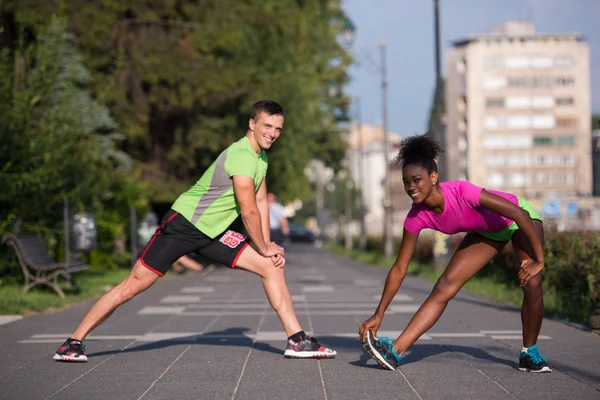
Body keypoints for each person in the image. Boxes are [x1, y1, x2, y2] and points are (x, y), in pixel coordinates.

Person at [54, 100, 336, 362]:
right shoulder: (241, 155)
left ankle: (297, 340)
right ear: (252, 124)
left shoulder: (260, 158)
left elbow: (261, 202)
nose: (273, 133)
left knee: (271, 266)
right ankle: (72, 343)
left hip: (213, 232)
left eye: (278, 129)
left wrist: (268, 246)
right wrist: (261, 245)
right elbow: (248, 209)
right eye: (267, 126)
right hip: (184, 225)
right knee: (132, 287)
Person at [359, 133, 550, 373]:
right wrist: (379, 313)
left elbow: (519, 215)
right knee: (444, 287)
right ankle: (395, 350)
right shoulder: (415, 216)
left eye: (417, 180)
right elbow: (399, 268)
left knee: (531, 282)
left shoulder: (461, 191)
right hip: (485, 232)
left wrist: (539, 261)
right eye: (406, 182)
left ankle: (529, 353)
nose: (411, 188)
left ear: (433, 177)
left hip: (519, 221)